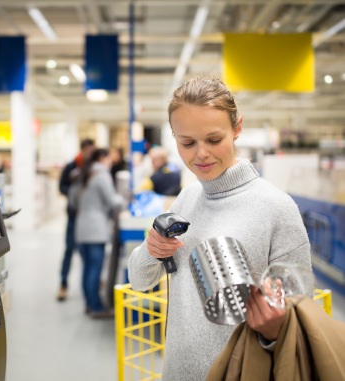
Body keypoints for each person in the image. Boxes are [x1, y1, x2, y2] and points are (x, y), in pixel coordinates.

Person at [128, 77, 311, 380]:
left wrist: (273, 327)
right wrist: (151, 251)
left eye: (214, 140)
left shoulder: (276, 208)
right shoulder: (186, 199)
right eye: (187, 143)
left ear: (237, 128)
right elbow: (139, 280)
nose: (200, 154)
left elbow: (301, 323)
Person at [69, 148, 124, 318]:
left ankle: (89, 304)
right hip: (95, 227)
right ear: (102, 158)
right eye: (109, 159)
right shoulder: (102, 175)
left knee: (87, 268)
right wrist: (125, 197)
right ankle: (97, 308)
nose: (110, 163)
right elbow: (112, 200)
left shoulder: (81, 174)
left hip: (81, 225)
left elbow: (72, 201)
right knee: (95, 268)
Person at [57, 138, 95, 301]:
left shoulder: (94, 167)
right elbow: (61, 186)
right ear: (83, 149)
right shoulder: (71, 166)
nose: (90, 153)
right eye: (88, 150)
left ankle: (93, 281)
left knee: (87, 252)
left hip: (89, 217)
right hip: (74, 216)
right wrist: (74, 193)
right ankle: (63, 284)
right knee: (69, 250)